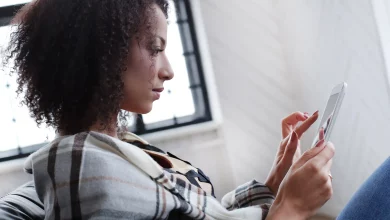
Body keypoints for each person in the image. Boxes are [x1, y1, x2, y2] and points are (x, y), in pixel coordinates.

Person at [1, 0, 336, 219]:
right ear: (102, 53)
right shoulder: (84, 167)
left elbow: (203, 212)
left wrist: (275, 181)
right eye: (155, 49)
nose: (169, 70)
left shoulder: (115, 146)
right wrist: (292, 206)